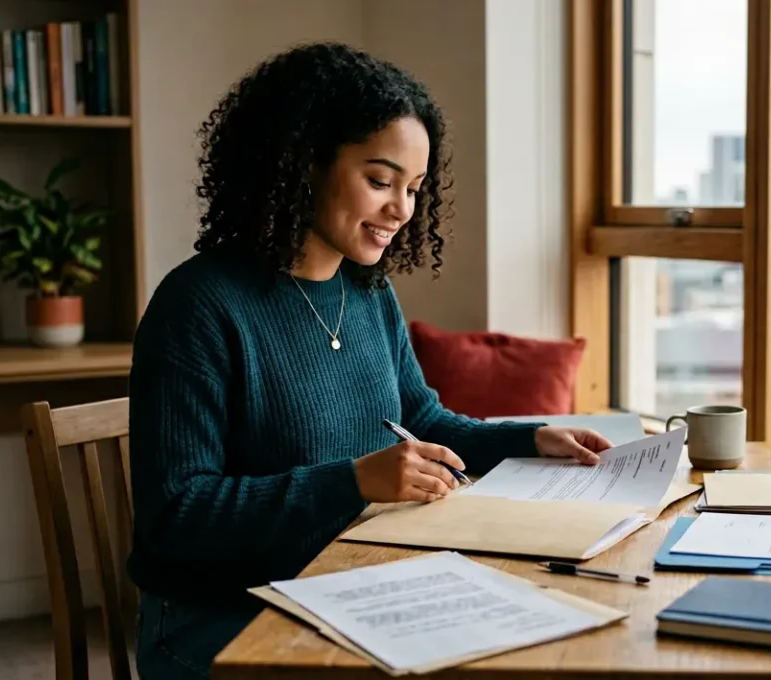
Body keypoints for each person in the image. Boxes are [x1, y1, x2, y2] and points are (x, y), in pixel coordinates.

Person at [127, 42, 612, 679]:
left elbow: (422, 421)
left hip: (346, 589)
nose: (402, 210)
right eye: (380, 181)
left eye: (413, 188)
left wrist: (532, 437)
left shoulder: (366, 291)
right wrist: (352, 481)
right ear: (303, 164)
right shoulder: (198, 305)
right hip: (219, 618)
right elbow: (174, 518)